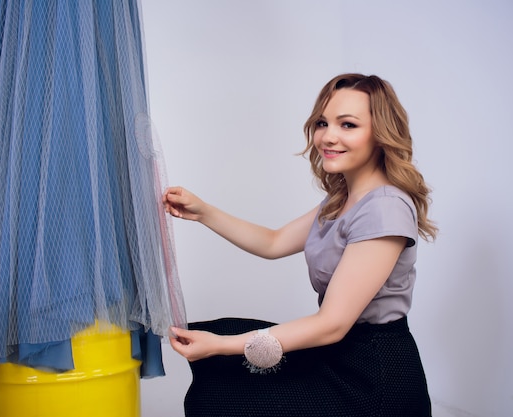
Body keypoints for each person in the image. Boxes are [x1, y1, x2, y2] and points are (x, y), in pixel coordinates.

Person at [162, 73, 437, 417]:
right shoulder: (342, 199)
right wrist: (204, 212)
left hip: (374, 375)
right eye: (323, 122)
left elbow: (332, 323)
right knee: (217, 349)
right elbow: (273, 242)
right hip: (340, 352)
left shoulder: (384, 207)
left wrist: (224, 347)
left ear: (381, 134)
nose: (328, 136)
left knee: (219, 389)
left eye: (348, 125)